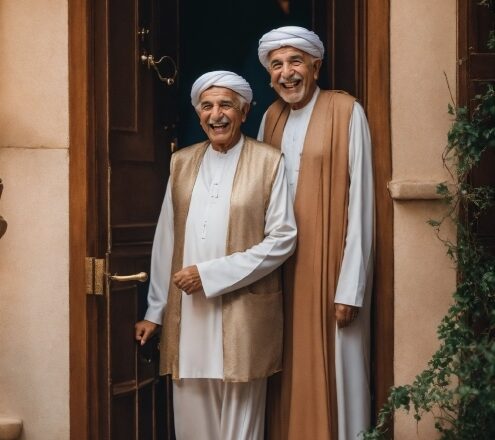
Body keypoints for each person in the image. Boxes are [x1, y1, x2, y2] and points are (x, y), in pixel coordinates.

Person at [135, 70, 297, 440]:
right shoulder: (182, 162)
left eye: (226, 104)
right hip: (187, 316)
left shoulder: (269, 161)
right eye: (206, 106)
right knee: (192, 425)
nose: (216, 114)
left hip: (244, 315)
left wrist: (208, 275)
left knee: (241, 428)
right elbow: (167, 240)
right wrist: (154, 312)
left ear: (244, 111)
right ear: (198, 114)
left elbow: (283, 238)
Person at [257, 26, 374, 440]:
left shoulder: (346, 111)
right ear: (269, 75)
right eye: (276, 65)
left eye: (295, 61)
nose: (286, 73)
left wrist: (351, 288)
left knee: (334, 363)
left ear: (315, 65)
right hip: (279, 265)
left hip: (330, 264)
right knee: (284, 362)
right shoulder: (270, 117)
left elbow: (361, 201)